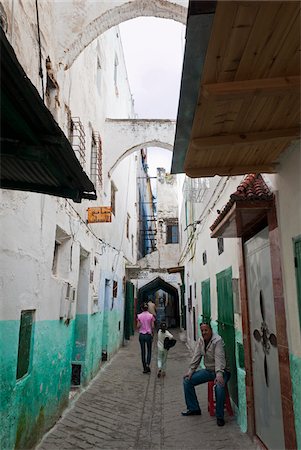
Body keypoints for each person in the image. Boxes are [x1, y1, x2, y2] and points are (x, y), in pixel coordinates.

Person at [182, 322, 231, 426]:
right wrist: (191, 370)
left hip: (222, 371)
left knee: (219, 386)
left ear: (211, 330)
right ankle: (193, 408)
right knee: (187, 381)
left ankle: (220, 416)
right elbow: (197, 356)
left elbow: (219, 358)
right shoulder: (201, 341)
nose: (204, 332)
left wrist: (219, 374)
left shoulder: (217, 340)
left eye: (206, 330)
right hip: (209, 371)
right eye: (202, 330)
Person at [137, 303, 155, 374]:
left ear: (142, 309)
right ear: (147, 308)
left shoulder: (139, 316)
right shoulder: (151, 316)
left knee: (143, 351)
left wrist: (141, 323)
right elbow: (153, 327)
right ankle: (148, 364)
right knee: (149, 350)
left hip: (141, 335)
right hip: (148, 334)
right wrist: (152, 333)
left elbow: (138, 326)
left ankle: (144, 367)